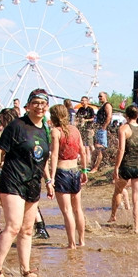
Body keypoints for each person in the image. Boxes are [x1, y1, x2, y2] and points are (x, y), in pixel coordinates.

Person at [0, 88, 55, 277]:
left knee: (27, 229)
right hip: (13, 180)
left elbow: (43, 158)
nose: (39, 107)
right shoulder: (17, 126)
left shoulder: (45, 130)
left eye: (43, 103)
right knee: (13, 226)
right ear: (28, 105)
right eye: (36, 103)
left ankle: (25, 269)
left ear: (47, 106)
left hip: (33, 183)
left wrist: (48, 180)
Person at [49, 104, 88, 248]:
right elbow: (83, 152)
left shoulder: (56, 131)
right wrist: (84, 171)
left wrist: (51, 177)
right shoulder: (75, 130)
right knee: (78, 209)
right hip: (75, 171)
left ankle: (71, 244)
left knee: (67, 211)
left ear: (53, 117)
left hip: (62, 172)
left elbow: (54, 155)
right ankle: (82, 241)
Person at [110, 104, 138, 232]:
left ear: (126, 116)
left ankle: (113, 216)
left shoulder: (123, 129)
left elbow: (121, 149)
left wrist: (116, 167)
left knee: (118, 190)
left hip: (126, 166)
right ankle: (137, 228)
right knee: (137, 199)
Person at [90, 91, 113, 172]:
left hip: (103, 130)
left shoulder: (107, 105)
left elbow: (109, 117)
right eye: (98, 96)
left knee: (100, 149)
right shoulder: (102, 106)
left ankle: (96, 167)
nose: (99, 98)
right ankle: (93, 166)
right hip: (99, 129)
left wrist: (104, 127)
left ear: (105, 96)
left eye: (101, 96)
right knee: (96, 149)